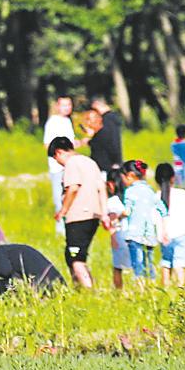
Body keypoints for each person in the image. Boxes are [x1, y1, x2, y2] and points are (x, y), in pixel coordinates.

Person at [48, 135, 107, 288]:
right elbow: (102, 188)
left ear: (59, 152)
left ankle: (88, 290)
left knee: (76, 258)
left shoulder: (72, 163)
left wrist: (63, 210)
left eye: (56, 158)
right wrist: (104, 213)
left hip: (78, 215)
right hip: (94, 215)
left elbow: (73, 188)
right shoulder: (90, 162)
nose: (58, 163)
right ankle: (79, 288)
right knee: (73, 255)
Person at [119, 160, 167, 282]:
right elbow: (163, 209)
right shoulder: (149, 191)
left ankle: (140, 288)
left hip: (135, 234)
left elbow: (127, 211)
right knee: (149, 263)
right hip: (149, 234)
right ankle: (151, 285)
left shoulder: (130, 191)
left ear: (130, 175)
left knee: (138, 265)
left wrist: (118, 216)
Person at [0, 243, 65, 295]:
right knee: (10, 283)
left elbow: (5, 271)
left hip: (44, 284)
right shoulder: (10, 251)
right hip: (57, 283)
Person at [42, 95, 77, 221]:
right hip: (58, 167)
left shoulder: (68, 121)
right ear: (57, 106)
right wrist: (58, 156)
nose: (67, 108)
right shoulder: (53, 122)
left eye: (69, 105)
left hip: (70, 165)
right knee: (59, 197)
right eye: (64, 105)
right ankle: (60, 227)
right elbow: (47, 144)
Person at [105, 171, 132, 290]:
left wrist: (112, 238)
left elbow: (112, 223)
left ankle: (119, 290)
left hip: (119, 236)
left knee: (118, 268)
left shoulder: (111, 202)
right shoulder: (129, 198)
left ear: (111, 185)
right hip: (133, 234)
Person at [87, 99, 124, 177]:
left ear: (98, 105)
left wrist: (116, 162)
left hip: (107, 165)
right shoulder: (112, 119)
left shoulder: (107, 121)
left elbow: (111, 142)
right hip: (109, 163)